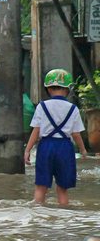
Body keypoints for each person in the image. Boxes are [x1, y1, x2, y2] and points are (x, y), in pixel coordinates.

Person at [23, 68, 91, 206]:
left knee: (41, 187)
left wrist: (27, 150)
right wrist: (83, 150)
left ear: (48, 89)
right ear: (68, 89)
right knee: (62, 188)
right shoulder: (73, 108)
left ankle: (37, 216)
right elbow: (76, 134)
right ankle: (63, 220)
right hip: (65, 148)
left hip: (46, 147)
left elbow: (36, 131)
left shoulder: (42, 106)